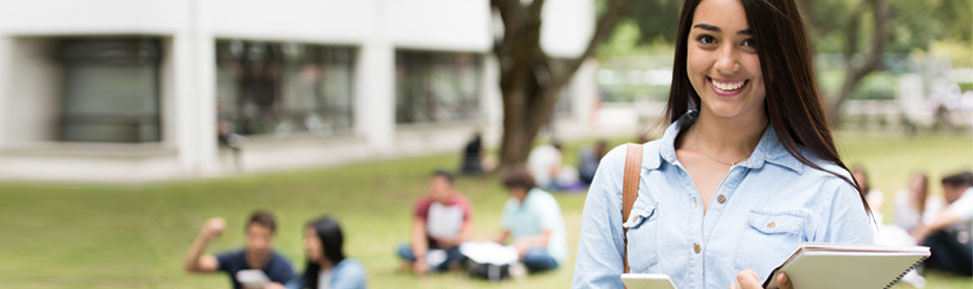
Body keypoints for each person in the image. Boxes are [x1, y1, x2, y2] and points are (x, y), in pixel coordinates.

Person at [571, 0, 872, 288]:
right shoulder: (623, 175)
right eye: (707, 39)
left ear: (781, 54)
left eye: (750, 43)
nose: (726, 63)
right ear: (685, 45)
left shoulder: (830, 191)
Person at [484, 166, 567, 273]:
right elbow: (503, 236)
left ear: (522, 187)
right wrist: (483, 241)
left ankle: (516, 267)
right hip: (518, 250)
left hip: (546, 253)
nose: (510, 193)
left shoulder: (543, 201)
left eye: (513, 189)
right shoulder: (511, 205)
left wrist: (525, 244)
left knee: (532, 256)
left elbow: (545, 239)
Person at [184, 210, 295, 289]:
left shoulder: (283, 267)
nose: (258, 244)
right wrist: (206, 236)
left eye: (264, 237)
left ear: (272, 238)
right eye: (254, 237)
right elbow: (192, 266)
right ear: (246, 236)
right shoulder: (235, 259)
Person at [396, 170, 473, 274]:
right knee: (403, 249)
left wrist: (451, 241)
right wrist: (420, 258)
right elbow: (418, 234)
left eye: (439, 186)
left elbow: (466, 234)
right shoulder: (424, 204)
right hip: (430, 247)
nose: (435, 189)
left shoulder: (461, 204)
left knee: (464, 252)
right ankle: (442, 265)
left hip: (452, 248)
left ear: (449, 187)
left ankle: (436, 265)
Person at [268, 216, 368, 289]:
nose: (306, 245)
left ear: (328, 240)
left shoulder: (351, 270)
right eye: (306, 238)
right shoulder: (316, 271)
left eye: (312, 239)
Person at [912, 171, 973, 276]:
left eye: (945, 192)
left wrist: (916, 235)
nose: (944, 196)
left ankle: (914, 264)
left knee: (939, 235)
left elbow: (940, 221)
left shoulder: (970, 197)